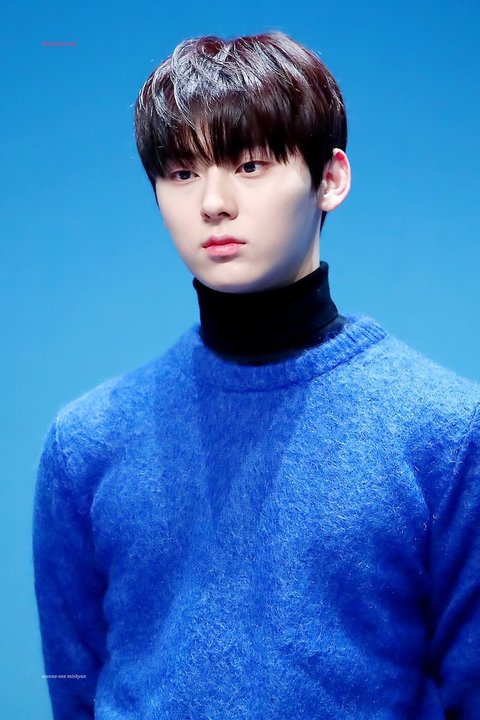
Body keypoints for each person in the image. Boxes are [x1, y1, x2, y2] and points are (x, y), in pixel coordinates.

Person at [32, 30, 480, 719]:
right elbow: (75, 690)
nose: (213, 202)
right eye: (182, 172)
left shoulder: (446, 432)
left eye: (249, 164)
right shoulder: (87, 442)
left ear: (329, 179)